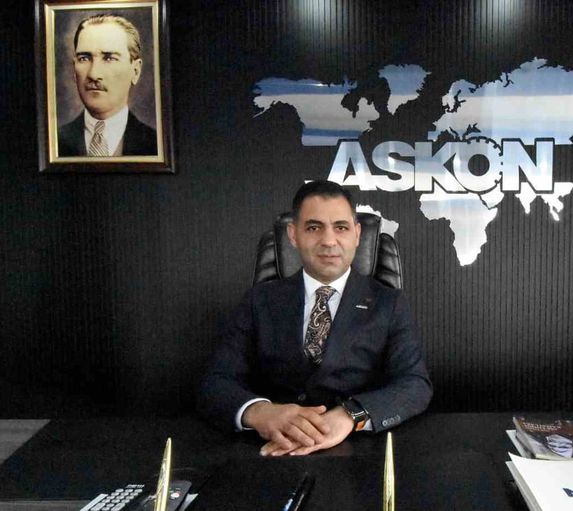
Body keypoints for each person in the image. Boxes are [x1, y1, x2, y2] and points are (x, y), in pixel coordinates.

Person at [198, 180, 432, 456]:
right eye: (313, 227)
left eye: (341, 227)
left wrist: (351, 414)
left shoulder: (389, 303)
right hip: (273, 449)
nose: (329, 241)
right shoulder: (258, 301)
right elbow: (216, 382)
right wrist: (259, 412)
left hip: (357, 450)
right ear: (293, 234)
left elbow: (415, 384)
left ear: (357, 234)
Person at [57, 14, 157, 157]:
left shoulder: (155, 145)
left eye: (109, 58)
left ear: (135, 71)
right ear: (74, 69)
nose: (93, 74)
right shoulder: (54, 143)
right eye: (84, 58)